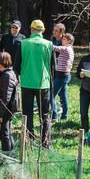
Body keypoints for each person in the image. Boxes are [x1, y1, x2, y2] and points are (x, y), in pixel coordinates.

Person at [19, 20, 55, 148]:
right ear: (43, 30)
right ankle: (46, 141)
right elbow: (53, 67)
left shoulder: (23, 44)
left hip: (27, 83)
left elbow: (17, 65)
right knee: (44, 114)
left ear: (31, 29)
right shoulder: (49, 45)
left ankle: (29, 138)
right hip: (43, 84)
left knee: (27, 113)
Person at [0, 51, 19, 151]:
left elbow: (6, 97)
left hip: (5, 110)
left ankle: (7, 157)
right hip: (3, 109)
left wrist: (0, 114)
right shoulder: (3, 74)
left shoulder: (7, 76)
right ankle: (10, 155)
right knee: (6, 133)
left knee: (4, 135)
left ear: (2, 61)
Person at [52, 32, 75, 120]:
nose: (62, 40)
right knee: (63, 95)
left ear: (69, 41)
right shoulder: (69, 48)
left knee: (52, 95)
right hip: (65, 75)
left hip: (61, 76)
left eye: (64, 39)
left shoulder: (66, 49)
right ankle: (64, 115)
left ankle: (54, 116)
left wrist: (45, 43)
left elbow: (54, 48)